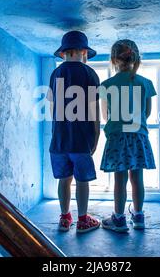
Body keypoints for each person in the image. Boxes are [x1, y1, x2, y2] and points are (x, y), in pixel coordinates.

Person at [99, 39, 156, 232]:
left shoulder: (107, 84)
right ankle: (139, 217)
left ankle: (119, 219)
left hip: (117, 137)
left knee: (119, 180)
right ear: (136, 58)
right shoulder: (146, 83)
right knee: (137, 178)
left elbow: (105, 116)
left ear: (114, 60)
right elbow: (147, 113)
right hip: (138, 135)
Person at [47, 31, 101, 233]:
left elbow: (52, 105)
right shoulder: (90, 73)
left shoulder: (55, 74)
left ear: (63, 54)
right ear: (84, 52)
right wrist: (96, 136)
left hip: (59, 141)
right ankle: (83, 220)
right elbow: (95, 110)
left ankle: (64, 218)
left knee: (64, 180)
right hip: (81, 141)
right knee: (82, 181)